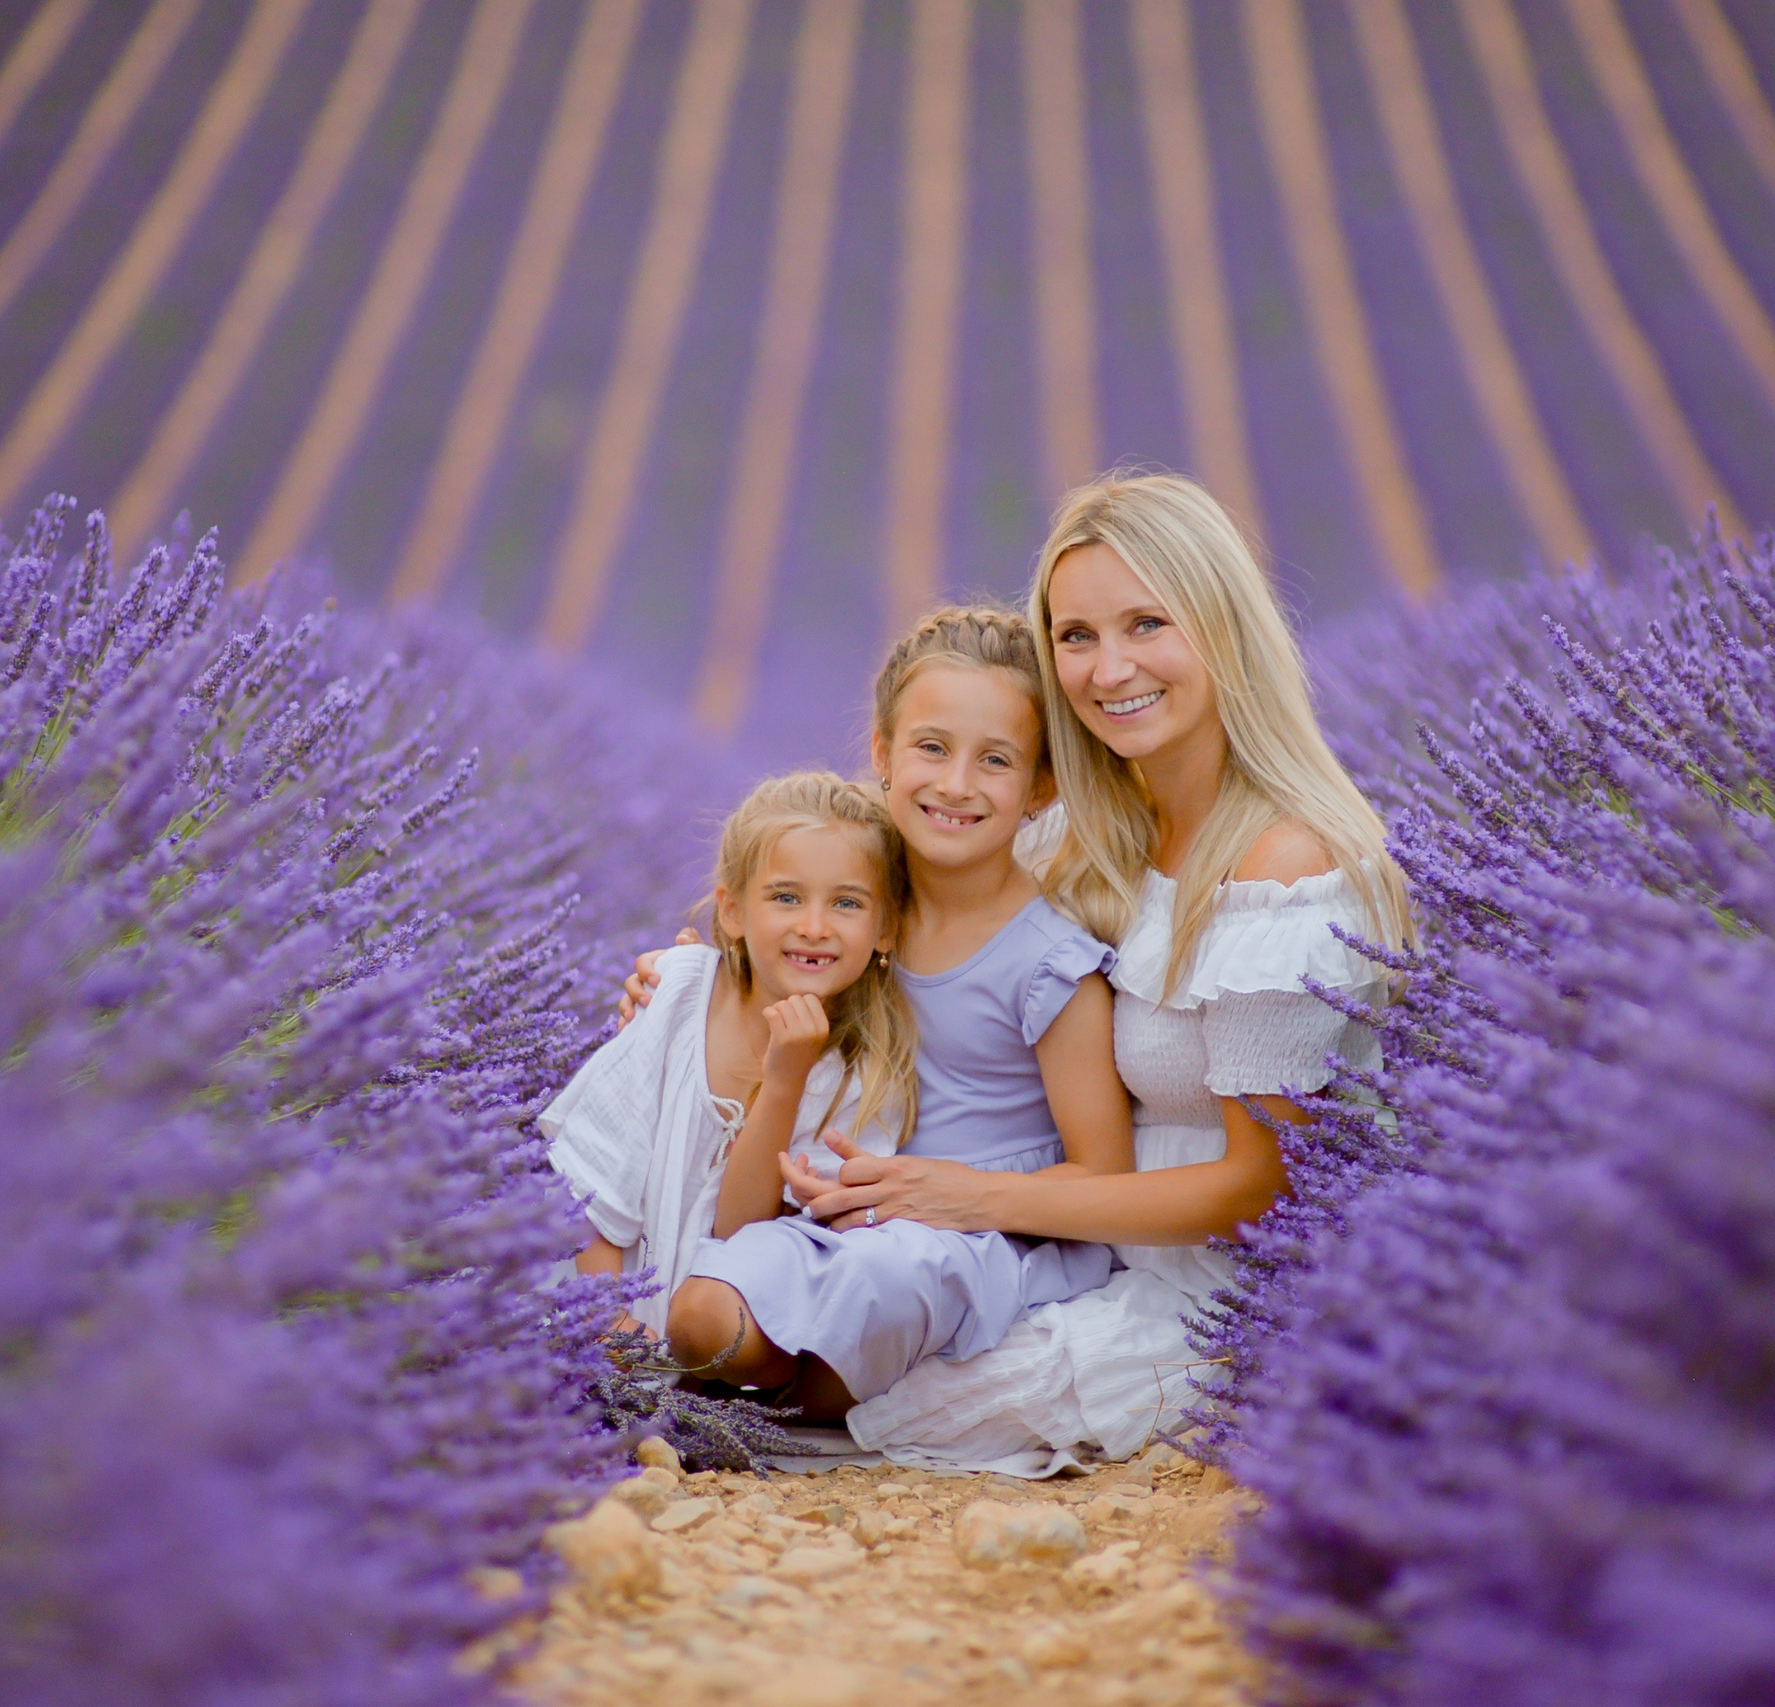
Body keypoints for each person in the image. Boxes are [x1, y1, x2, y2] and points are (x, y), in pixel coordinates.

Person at [796, 472, 1415, 1472]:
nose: (1106, 667)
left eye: (1145, 625)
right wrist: (713, 967)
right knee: (806, 1319)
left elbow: (1263, 1189)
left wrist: (975, 1199)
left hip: (1224, 1299)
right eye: (1076, 636)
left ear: (1221, 628)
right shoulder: (1092, 842)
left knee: (846, 1394)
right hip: (1083, 1255)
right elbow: (893, 914)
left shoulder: (1279, 867)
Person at [627, 609, 1134, 1420]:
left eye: (995, 760)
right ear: (883, 755)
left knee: (850, 1325)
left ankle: (784, 1395)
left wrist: (958, 1193)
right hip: (840, 1210)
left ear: (1041, 786)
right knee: (699, 1314)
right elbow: (758, 948)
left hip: (981, 1235)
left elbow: (1106, 1177)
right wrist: (680, 978)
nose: (956, 784)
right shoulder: (856, 898)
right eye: (931, 747)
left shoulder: (1049, 964)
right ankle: (750, 1380)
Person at [539, 771, 912, 1341]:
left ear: (885, 928)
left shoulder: (863, 1080)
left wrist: (784, 1082)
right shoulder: (682, 991)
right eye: (785, 897)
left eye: (846, 903)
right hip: (585, 1292)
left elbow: (743, 1241)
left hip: (697, 1354)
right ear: (733, 911)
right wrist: (607, 1318)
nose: (814, 927)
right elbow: (598, 1164)